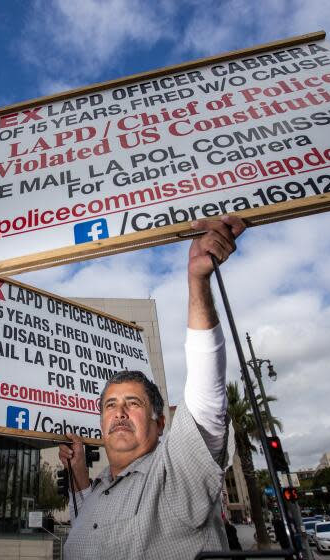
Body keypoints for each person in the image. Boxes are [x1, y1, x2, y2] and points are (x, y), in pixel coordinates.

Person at [58, 216, 246, 559]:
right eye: (110, 405)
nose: (119, 412)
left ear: (161, 423)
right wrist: (80, 471)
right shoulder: (96, 495)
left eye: (134, 403)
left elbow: (206, 396)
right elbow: (90, 519)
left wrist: (196, 281)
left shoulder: (176, 476)